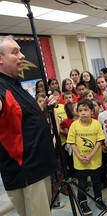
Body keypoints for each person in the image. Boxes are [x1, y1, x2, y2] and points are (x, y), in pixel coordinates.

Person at [0, 35, 56, 216]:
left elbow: (20, 119)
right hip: (27, 173)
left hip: (37, 169)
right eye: (15, 52)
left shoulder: (13, 84)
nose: (22, 56)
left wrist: (44, 108)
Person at [67, 99, 106, 215]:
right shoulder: (74, 125)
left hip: (94, 160)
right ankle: (83, 203)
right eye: (80, 110)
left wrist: (90, 155)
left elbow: (99, 141)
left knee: (96, 182)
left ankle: (99, 199)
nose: (83, 113)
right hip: (80, 163)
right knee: (82, 184)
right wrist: (79, 156)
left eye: (86, 110)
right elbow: (71, 142)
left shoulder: (96, 124)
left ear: (92, 111)